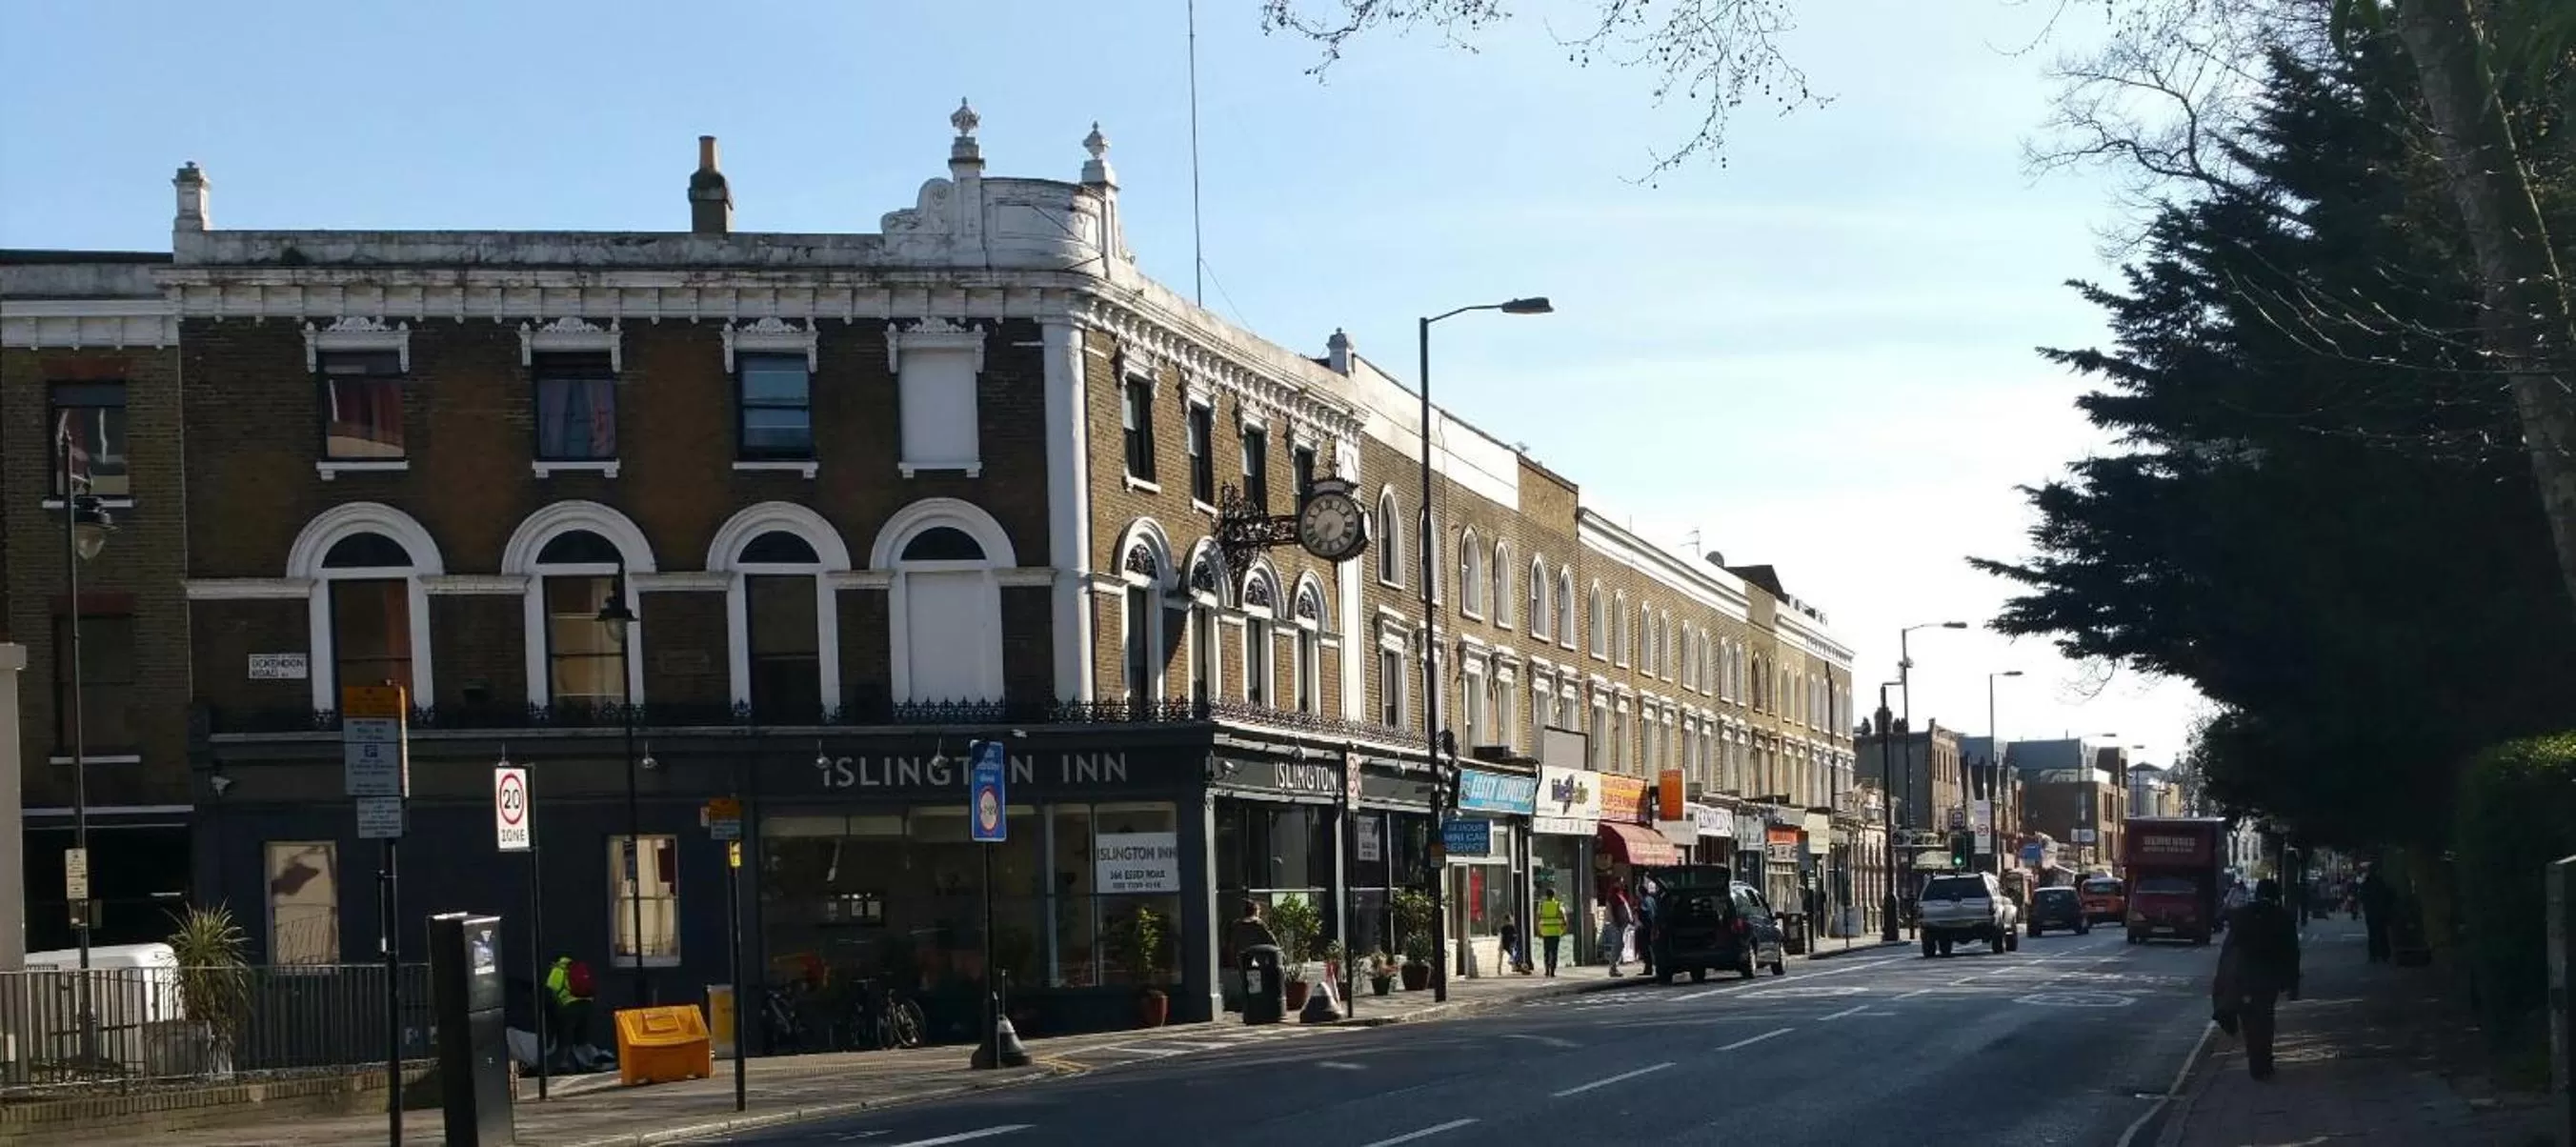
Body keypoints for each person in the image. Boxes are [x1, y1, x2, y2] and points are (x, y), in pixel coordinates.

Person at [2212, 877, 2302, 1080]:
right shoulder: (2284, 918)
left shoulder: (2243, 915)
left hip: (2244, 977)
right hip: (2269, 978)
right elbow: (2292, 953)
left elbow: (2229, 949)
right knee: (2266, 1017)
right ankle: (2264, 1060)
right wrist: (2292, 983)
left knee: (2248, 1020)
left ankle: (2254, 1060)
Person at [544, 954, 606, 1071]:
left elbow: (551, 990)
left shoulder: (558, 969)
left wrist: (556, 1008)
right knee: (582, 1039)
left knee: (565, 1039)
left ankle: (562, 1065)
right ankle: (592, 1062)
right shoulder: (575, 967)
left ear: (553, 962)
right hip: (587, 1005)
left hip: (570, 1008)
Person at [2358, 865, 2395, 962]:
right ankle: (2384, 954)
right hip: (2381, 911)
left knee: (2372, 933)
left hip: (2371, 912)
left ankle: (2373, 955)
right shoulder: (2381, 883)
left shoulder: (2366, 884)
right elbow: (2388, 896)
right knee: (2382, 932)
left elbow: (2362, 896)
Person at [1535, 887, 1570, 976]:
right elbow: (1564, 919)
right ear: (1554, 895)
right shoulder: (1558, 905)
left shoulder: (1542, 905)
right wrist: (1564, 929)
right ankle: (1552, 972)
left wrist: (1538, 930)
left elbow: (1538, 918)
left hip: (1545, 932)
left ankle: (1546, 970)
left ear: (1546, 895)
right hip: (1556, 932)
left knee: (1546, 952)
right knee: (1554, 952)